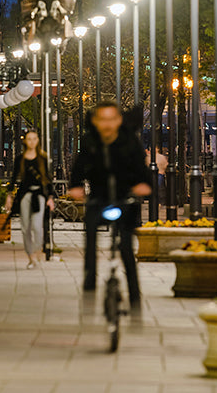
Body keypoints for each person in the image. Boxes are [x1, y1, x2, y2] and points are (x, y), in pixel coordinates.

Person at [67, 101, 151, 309]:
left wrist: (144, 186)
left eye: (111, 119)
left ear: (119, 120)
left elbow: (142, 170)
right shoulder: (89, 142)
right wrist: (76, 187)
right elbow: (78, 168)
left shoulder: (130, 141)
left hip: (125, 199)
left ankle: (134, 294)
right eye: (102, 120)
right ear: (95, 122)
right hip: (99, 199)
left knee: (125, 247)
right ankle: (89, 282)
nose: (107, 125)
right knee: (91, 239)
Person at [10, 129, 52, 268]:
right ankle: (31, 257)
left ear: (38, 140)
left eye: (34, 139)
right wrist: (9, 196)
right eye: (29, 139)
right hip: (24, 195)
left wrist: (50, 197)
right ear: (25, 141)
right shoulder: (20, 159)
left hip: (39, 195)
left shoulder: (42, 158)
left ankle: (36, 251)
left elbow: (47, 178)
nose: (32, 142)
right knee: (25, 227)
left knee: (36, 226)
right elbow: (14, 179)